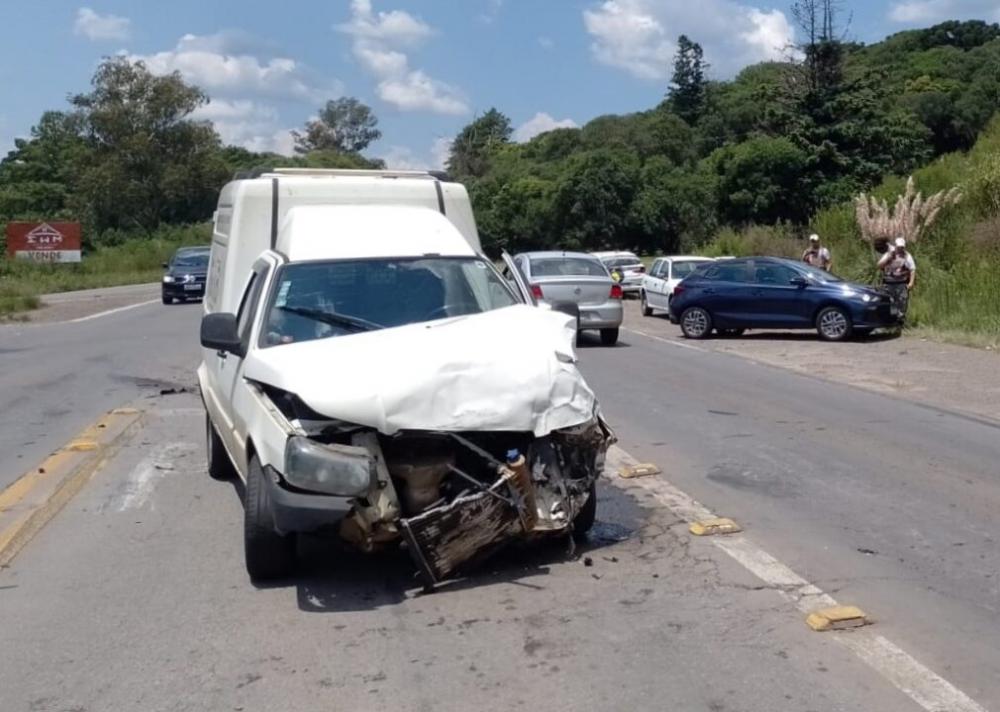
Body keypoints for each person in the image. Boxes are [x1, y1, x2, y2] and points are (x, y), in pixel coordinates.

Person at [878, 237, 916, 321]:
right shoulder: (889, 254)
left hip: (901, 283)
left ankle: (900, 319)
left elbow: (912, 269)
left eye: (902, 247)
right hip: (888, 283)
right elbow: (879, 265)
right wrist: (888, 258)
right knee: (890, 301)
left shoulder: (907, 256)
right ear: (895, 246)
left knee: (902, 301)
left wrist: (911, 282)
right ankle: (891, 319)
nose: (900, 249)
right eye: (898, 247)